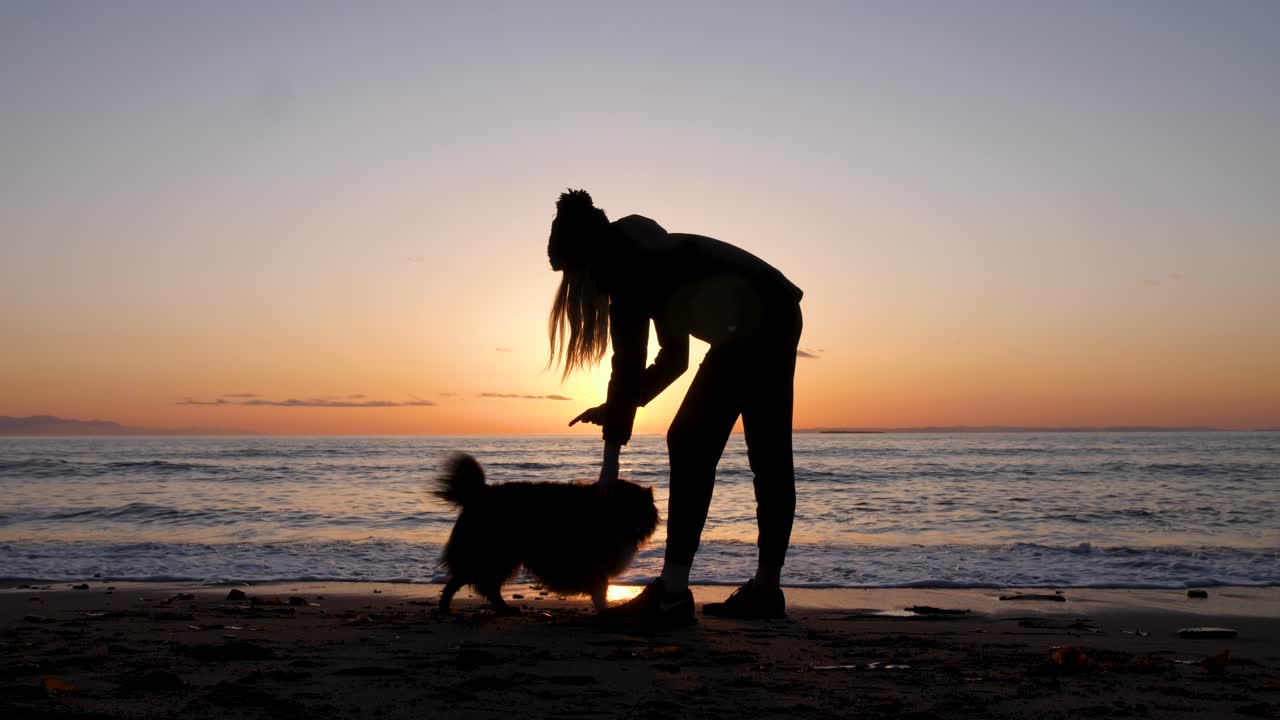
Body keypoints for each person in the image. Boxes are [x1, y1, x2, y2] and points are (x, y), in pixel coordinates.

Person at [547, 189, 803, 623]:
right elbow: (673, 360)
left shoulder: (626, 266)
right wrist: (619, 408)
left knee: (689, 442)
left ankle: (672, 594)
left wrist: (608, 468)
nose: (578, 285)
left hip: (755, 322)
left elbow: (627, 366)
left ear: (588, 256)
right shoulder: (648, 253)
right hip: (777, 311)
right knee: (769, 458)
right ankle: (764, 589)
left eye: (574, 271)